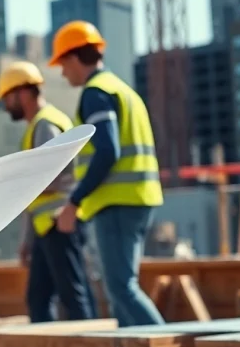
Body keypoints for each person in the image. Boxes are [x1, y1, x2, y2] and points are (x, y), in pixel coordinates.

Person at [49, 21, 165, 327]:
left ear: (74, 58)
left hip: (117, 201)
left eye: (63, 64)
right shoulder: (123, 89)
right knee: (121, 290)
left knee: (121, 288)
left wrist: (74, 201)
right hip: (139, 197)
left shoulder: (96, 93)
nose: (63, 72)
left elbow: (107, 150)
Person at [0, 61, 97, 323]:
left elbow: (49, 177)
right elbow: (35, 193)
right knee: (38, 299)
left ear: (23, 93)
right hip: (45, 228)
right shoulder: (38, 126)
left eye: (8, 97)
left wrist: (16, 182)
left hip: (59, 223)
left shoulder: (46, 125)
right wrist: (27, 240)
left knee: (72, 296)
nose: (6, 105)